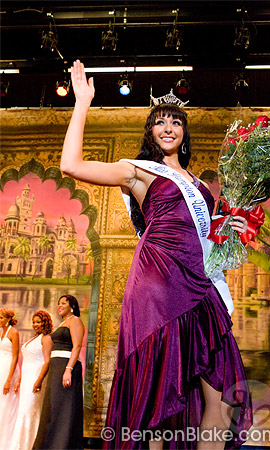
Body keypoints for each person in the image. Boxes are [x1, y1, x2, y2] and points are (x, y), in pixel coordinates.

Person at [60, 60, 253, 450]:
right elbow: (71, 165)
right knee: (157, 398)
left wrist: (228, 232)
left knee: (220, 394)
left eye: (176, 122)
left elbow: (204, 237)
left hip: (200, 288)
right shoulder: (139, 171)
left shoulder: (198, 183)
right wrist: (82, 102)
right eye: (160, 122)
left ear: (184, 133)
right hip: (158, 287)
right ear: (150, 132)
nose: (168, 128)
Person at [33, 295, 85, 450]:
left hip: (67, 367)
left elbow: (76, 347)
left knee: (65, 407)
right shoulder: (63, 323)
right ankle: (50, 444)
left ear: (73, 306)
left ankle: (63, 445)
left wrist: (68, 369)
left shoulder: (75, 321)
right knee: (54, 406)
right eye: (58, 304)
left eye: (64, 303)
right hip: (56, 369)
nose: (59, 306)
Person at [10, 310, 53, 450]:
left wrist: (39, 380)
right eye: (34, 322)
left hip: (36, 378)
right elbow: (27, 362)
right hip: (26, 379)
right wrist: (19, 380)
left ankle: (31, 445)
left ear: (45, 323)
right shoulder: (34, 337)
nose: (35, 325)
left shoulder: (46, 338)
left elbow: (47, 362)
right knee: (23, 411)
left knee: (31, 410)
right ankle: (20, 445)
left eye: (38, 322)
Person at [0, 309, 20, 449]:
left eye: (0, 317)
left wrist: (9, 379)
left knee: (6, 402)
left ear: (8, 319)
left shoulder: (14, 332)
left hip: (8, 369)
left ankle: (5, 441)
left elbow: (15, 356)